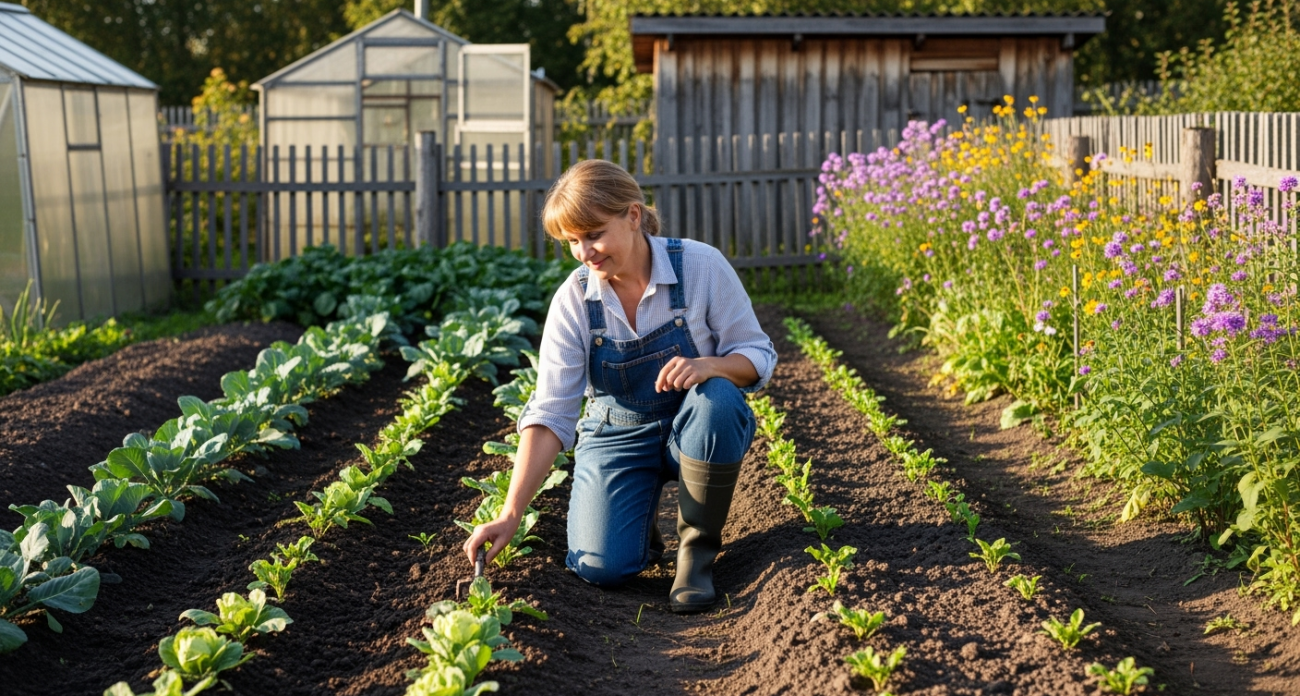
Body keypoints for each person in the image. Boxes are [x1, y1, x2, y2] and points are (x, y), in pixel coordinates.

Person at [463, 159, 776, 613]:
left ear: (633, 216)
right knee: (601, 567)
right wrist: (510, 513)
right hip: (617, 432)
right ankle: (636, 523)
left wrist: (712, 365)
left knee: (719, 400)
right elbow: (551, 412)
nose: (584, 252)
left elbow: (758, 356)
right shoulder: (574, 300)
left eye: (593, 234)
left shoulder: (701, 266)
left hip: (696, 428)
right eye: (572, 241)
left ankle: (696, 557)